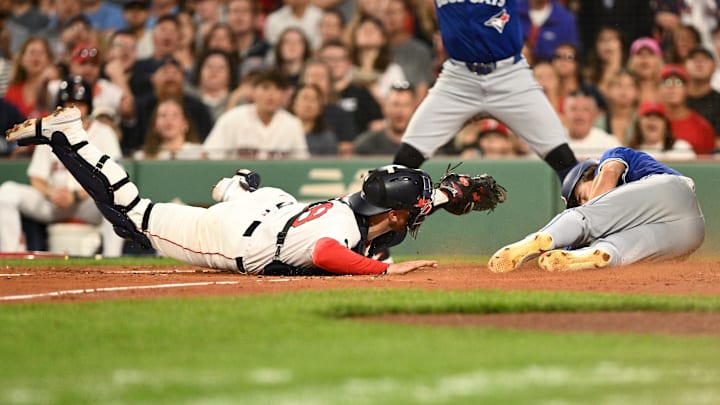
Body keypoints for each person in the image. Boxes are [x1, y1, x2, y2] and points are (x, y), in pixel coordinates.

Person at [6, 107, 442, 275]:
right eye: (416, 211)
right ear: (398, 213)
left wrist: (444, 195)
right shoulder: (348, 233)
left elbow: (388, 220)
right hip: (237, 239)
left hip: (273, 208)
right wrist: (383, 271)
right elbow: (328, 252)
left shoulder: (349, 205)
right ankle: (69, 138)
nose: (417, 217)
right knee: (131, 216)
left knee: (268, 200)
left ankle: (235, 186)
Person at [391, 0, 578, 183]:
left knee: (563, 158)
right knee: (405, 159)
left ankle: (585, 211)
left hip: (509, 75)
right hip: (458, 78)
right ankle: (390, 212)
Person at [488, 147, 704, 272]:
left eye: (581, 196)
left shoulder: (612, 158)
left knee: (587, 219)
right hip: (691, 235)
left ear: (590, 172)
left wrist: (585, 216)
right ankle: (597, 255)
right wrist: (571, 253)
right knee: (613, 249)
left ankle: (543, 236)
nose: (584, 202)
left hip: (671, 193)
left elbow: (610, 172)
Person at [0, 76, 125, 256]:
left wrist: (75, 195)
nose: (74, 110)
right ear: (61, 107)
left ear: (88, 106)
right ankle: (10, 257)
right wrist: (52, 193)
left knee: (117, 199)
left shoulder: (104, 133)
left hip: (88, 203)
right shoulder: (49, 133)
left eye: (79, 104)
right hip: (54, 202)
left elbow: (112, 179)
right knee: (6, 193)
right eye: (69, 104)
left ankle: (112, 259)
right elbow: (37, 177)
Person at [203, 69, 309, 160]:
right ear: (253, 92)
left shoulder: (292, 124)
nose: (271, 95)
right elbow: (209, 156)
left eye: (277, 89)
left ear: (284, 95)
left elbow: (301, 163)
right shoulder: (232, 119)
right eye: (265, 88)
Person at [657, 64, 715, 155]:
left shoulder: (702, 127)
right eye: (667, 82)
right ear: (658, 88)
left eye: (678, 82)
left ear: (687, 89)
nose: (672, 87)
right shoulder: (649, 124)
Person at [353, 82, 416, 156]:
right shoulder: (365, 145)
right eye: (395, 104)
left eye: (406, 105)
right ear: (384, 108)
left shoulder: (425, 145)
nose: (400, 111)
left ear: (415, 109)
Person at [133, 97, 204, 160]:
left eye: (174, 115)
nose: (168, 120)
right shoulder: (142, 157)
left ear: (185, 124)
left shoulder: (201, 154)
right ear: (155, 125)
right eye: (163, 115)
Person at [628, 100, 696, 161]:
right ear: (639, 124)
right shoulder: (630, 153)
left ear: (666, 124)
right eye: (648, 116)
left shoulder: (681, 149)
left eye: (658, 116)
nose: (653, 120)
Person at [563, 90, 621, 159]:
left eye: (585, 109)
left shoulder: (609, 144)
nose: (579, 114)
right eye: (573, 109)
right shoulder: (554, 142)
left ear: (594, 114)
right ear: (565, 112)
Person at [288, 83, 338, 156]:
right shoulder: (282, 131)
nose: (308, 104)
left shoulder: (327, 138)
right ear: (293, 104)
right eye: (305, 98)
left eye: (313, 99)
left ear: (320, 108)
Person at [684, 46, 720, 140]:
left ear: (714, 67)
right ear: (685, 65)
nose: (699, 63)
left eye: (705, 59)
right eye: (694, 59)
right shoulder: (677, 99)